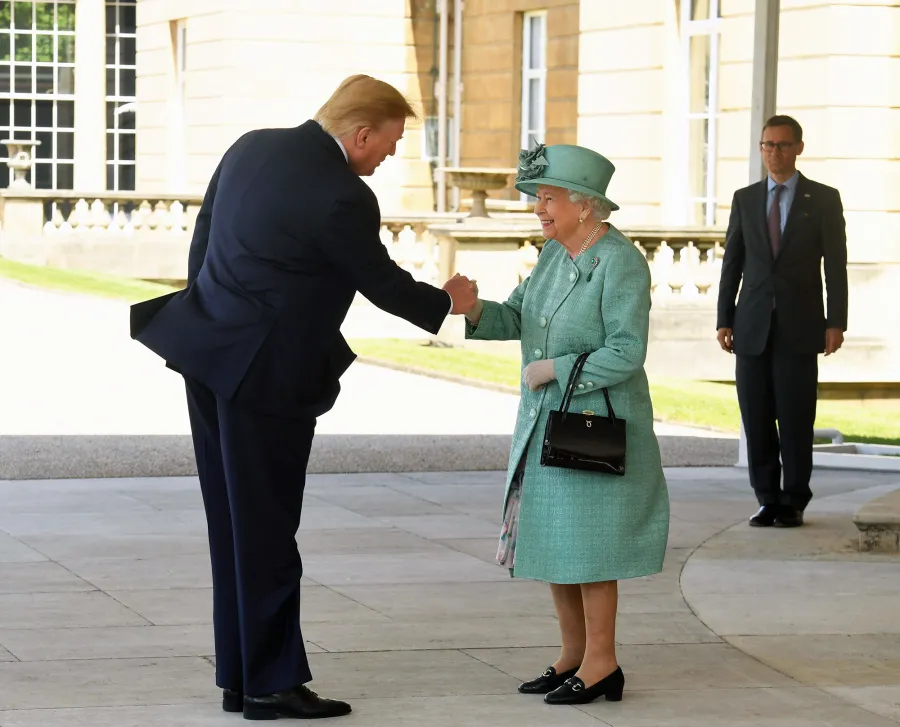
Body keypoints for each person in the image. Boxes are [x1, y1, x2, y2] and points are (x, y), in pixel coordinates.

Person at [129, 75, 477, 720]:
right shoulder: (343, 195)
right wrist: (448, 302)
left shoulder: (250, 147)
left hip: (206, 352)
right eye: (390, 144)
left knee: (233, 523)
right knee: (266, 527)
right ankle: (268, 685)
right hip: (267, 375)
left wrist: (208, 315)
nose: (389, 158)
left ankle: (243, 675)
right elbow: (381, 283)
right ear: (360, 133)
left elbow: (203, 242)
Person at [464, 144, 669, 706]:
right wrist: (474, 308)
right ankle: (573, 655)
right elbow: (516, 315)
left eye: (547, 198)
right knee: (555, 539)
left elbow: (627, 351)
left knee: (592, 544)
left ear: (586, 205)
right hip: (546, 422)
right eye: (538, 198)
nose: (538, 209)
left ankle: (603, 662)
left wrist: (557, 369)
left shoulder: (621, 262)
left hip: (596, 423)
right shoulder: (552, 256)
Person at [716, 114, 848, 529]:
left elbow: (836, 267)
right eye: (768, 145)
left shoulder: (823, 199)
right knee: (756, 417)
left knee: (794, 417)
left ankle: (793, 499)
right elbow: (732, 262)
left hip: (801, 325)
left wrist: (836, 321)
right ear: (761, 149)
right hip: (751, 324)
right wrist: (724, 318)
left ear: (799, 148)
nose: (775, 152)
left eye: (784, 145)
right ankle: (767, 498)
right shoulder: (745, 198)